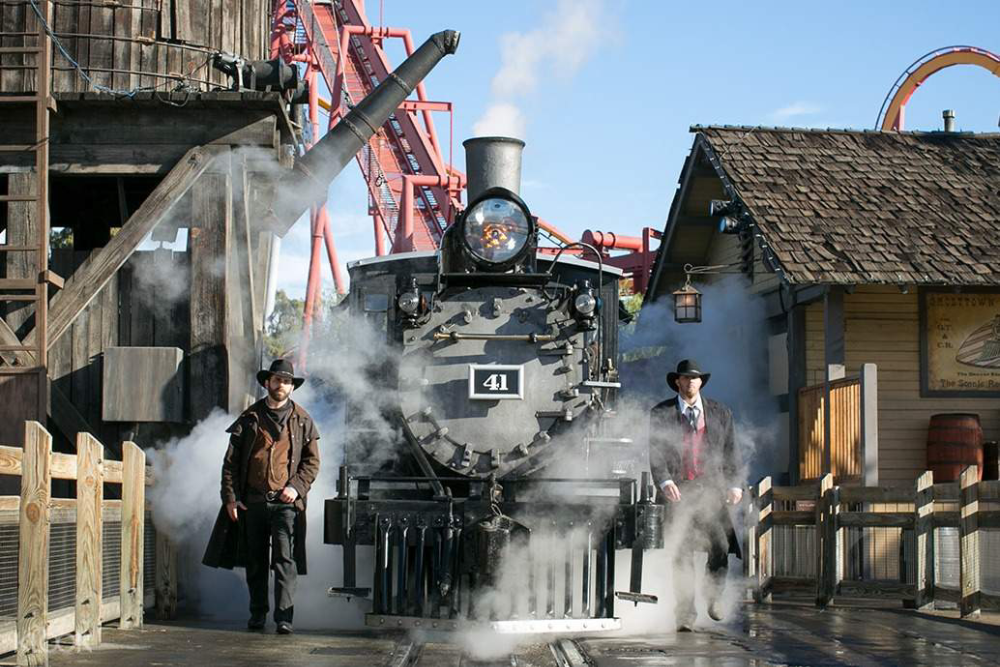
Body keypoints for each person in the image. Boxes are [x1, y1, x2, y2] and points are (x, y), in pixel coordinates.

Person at [202, 359, 320, 634]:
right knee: (255, 562)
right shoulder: (249, 418)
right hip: (252, 503)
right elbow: (230, 463)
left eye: (286, 381)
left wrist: (296, 488)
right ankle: (257, 615)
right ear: (267, 382)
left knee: (284, 562)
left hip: (285, 504)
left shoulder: (303, 420)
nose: (281, 385)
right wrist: (230, 498)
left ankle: (284, 618)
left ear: (292, 387)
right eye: (277, 379)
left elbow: (312, 463)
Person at [649, 359, 742, 632]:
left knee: (720, 547)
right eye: (685, 378)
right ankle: (685, 615)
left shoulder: (721, 412)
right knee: (682, 553)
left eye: (695, 378)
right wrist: (664, 480)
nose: (690, 382)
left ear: (701, 382)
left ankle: (714, 597)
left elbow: (731, 451)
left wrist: (735, 484)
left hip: (712, 491)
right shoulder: (661, 412)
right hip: (679, 492)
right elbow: (654, 451)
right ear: (677, 381)